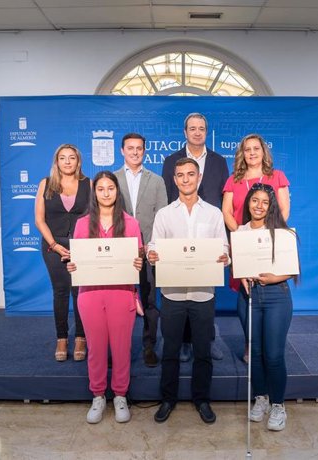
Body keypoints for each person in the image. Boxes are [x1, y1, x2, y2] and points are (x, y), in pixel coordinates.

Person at [148, 157, 230, 425]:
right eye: (180, 175)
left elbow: (224, 248)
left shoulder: (214, 213)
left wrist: (224, 257)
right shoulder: (164, 214)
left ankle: (202, 399)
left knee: (203, 352)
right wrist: (152, 254)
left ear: (199, 178)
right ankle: (167, 399)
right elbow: (153, 246)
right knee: (170, 350)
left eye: (190, 174)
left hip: (203, 294)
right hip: (172, 294)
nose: (185, 179)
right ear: (174, 179)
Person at [66, 171, 144, 424]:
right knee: (96, 348)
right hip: (90, 294)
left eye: (111, 188)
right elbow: (77, 258)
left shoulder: (130, 223)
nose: (106, 193)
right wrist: (72, 266)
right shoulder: (82, 224)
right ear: (95, 193)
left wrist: (138, 262)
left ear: (117, 191)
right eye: (101, 189)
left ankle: (120, 395)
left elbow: (138, 256)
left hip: (121, 293)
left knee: (122, 348)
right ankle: (98, 395)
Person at [161, 112, 229, 361]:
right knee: (180, 288)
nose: (197, 132)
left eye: (202, 128)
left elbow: (223, 198)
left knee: (204, 291)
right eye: (192, 128)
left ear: (206, 132)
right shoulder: (171, 161)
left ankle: (206, 340)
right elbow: (168, 196)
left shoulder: (220, 161)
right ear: (185, 132)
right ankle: (185, 343)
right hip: (179, 232)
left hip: (208, 233)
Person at [221, 133, 290, 362]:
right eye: (247, 149)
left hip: (270, 241)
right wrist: (243, 234)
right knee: (246, 290)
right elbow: (227, 212)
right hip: (242, 241)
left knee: (267, 283)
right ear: (242, 153)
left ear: (263, 152)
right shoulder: (234, 180)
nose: (252, 153)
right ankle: (251, 344)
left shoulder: (277, 176)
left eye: (256, 149)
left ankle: (270, 345)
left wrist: (265, 232)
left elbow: (283, 211)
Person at [235, 183, 296, 432]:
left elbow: (292, 270)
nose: (258, 206)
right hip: (249, 296)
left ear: (271, 207)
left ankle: (278, 405)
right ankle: (261, 398)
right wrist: (240, 275)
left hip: (276, 296)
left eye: (264, 202)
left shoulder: (282, 233)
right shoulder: (240, 231)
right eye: (254, 200)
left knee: (273, 354)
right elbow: (237, 264)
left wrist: (273, 278)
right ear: (248, 202)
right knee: (256, 353)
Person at [114, 133, 167, 368]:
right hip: (118, 252)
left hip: (148, 251)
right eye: (130, 148)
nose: (135, 152)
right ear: (122, 151)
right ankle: (118, 349)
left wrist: (152, 245)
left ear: (144, 151)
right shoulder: (110, 180)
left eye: (139, 148)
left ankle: (148, 346)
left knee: (149, 303)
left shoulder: (156, 180)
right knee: (118, 303)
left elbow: (162, 217)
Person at [35, 144, 90, 362]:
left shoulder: (89, 184)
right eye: (62, 158)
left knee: (80, 292)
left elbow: (93, 217)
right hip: (53, 245)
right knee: (60, 292)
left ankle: (80, 338)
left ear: (78, 161)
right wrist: (55, 245)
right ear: (56, 161)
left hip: (82, 246)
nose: (67, 162)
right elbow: (39, 219)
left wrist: (82, 246)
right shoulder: (46, 184)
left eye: (72, 158)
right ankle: (61, 339)